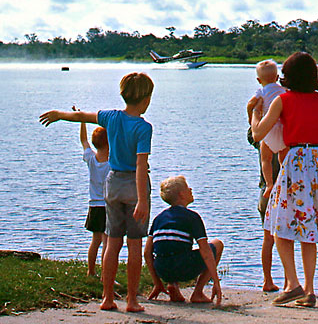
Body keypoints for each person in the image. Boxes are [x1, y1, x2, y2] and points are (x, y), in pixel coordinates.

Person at [40, 72, 154, 313]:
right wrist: (143, 200)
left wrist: (60, 115)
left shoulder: (111, 117)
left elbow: (82, 115)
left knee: (112, 243)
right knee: (134, 245)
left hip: (112, 184)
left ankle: (107, 298)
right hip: (134, 185)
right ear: (146, 99)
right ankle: (132, 301)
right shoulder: (144, 128)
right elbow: (141, 164)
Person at [251, 51, 318, 308]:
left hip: (297, 161)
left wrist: (255, 113)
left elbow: (258, 134)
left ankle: (292, 284)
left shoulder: (283, 100)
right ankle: (309, 289)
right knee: (309, 229)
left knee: (278, 223)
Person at [144, 176, 223, 306]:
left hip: (163, 269)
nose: (191, 189)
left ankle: (172, 284)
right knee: (217, 245)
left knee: (171, 249)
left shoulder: (158, 219)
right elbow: (205, 251)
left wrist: (157, 282)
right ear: (181, 194)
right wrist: (216, 282)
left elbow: (147, 252)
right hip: (183, 267)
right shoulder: (192, 217)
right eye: (187, 188)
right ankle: (197, 292)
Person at [246, 60, 287, 198]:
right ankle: (284, 178)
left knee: (266, 159)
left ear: (258, 80)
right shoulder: (283, 91)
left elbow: (250, 104)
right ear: (277, 78)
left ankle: (269, 185)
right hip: (282, 130)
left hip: (267, 130)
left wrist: (250, 117)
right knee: (283, 157)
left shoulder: (261, 91)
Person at [247, 126, 282, 292]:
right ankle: (291, 281)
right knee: (286, 239)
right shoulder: (286, 137)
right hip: (282, 191)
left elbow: (251, 134)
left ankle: (267, 280)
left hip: (265, 193)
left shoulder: (262, 138)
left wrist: (255, 113)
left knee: (268, 240)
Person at [79, 116, 110, 277]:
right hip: (108, 206)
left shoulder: (90, 158)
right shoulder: (112, 163)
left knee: (95, 241)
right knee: (107, 242)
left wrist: (82, 121)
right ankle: (106, 274)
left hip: (94, 206)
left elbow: (84, 141)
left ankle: (91, 271)